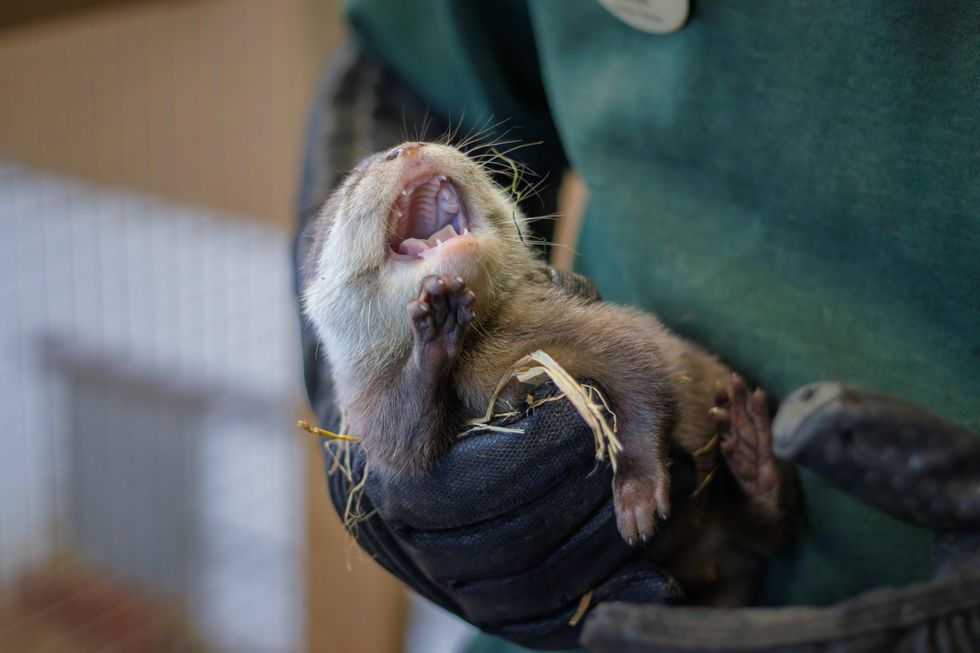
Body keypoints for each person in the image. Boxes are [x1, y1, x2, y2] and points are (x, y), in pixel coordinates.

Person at [295, 2, 979, 651]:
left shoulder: (536, 313)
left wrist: (638, 464)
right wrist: (373, 404)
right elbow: (421, 65)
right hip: (581, 629)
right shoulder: (425, 303)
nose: (416, 151)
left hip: (869, 562)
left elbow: (631, 356)